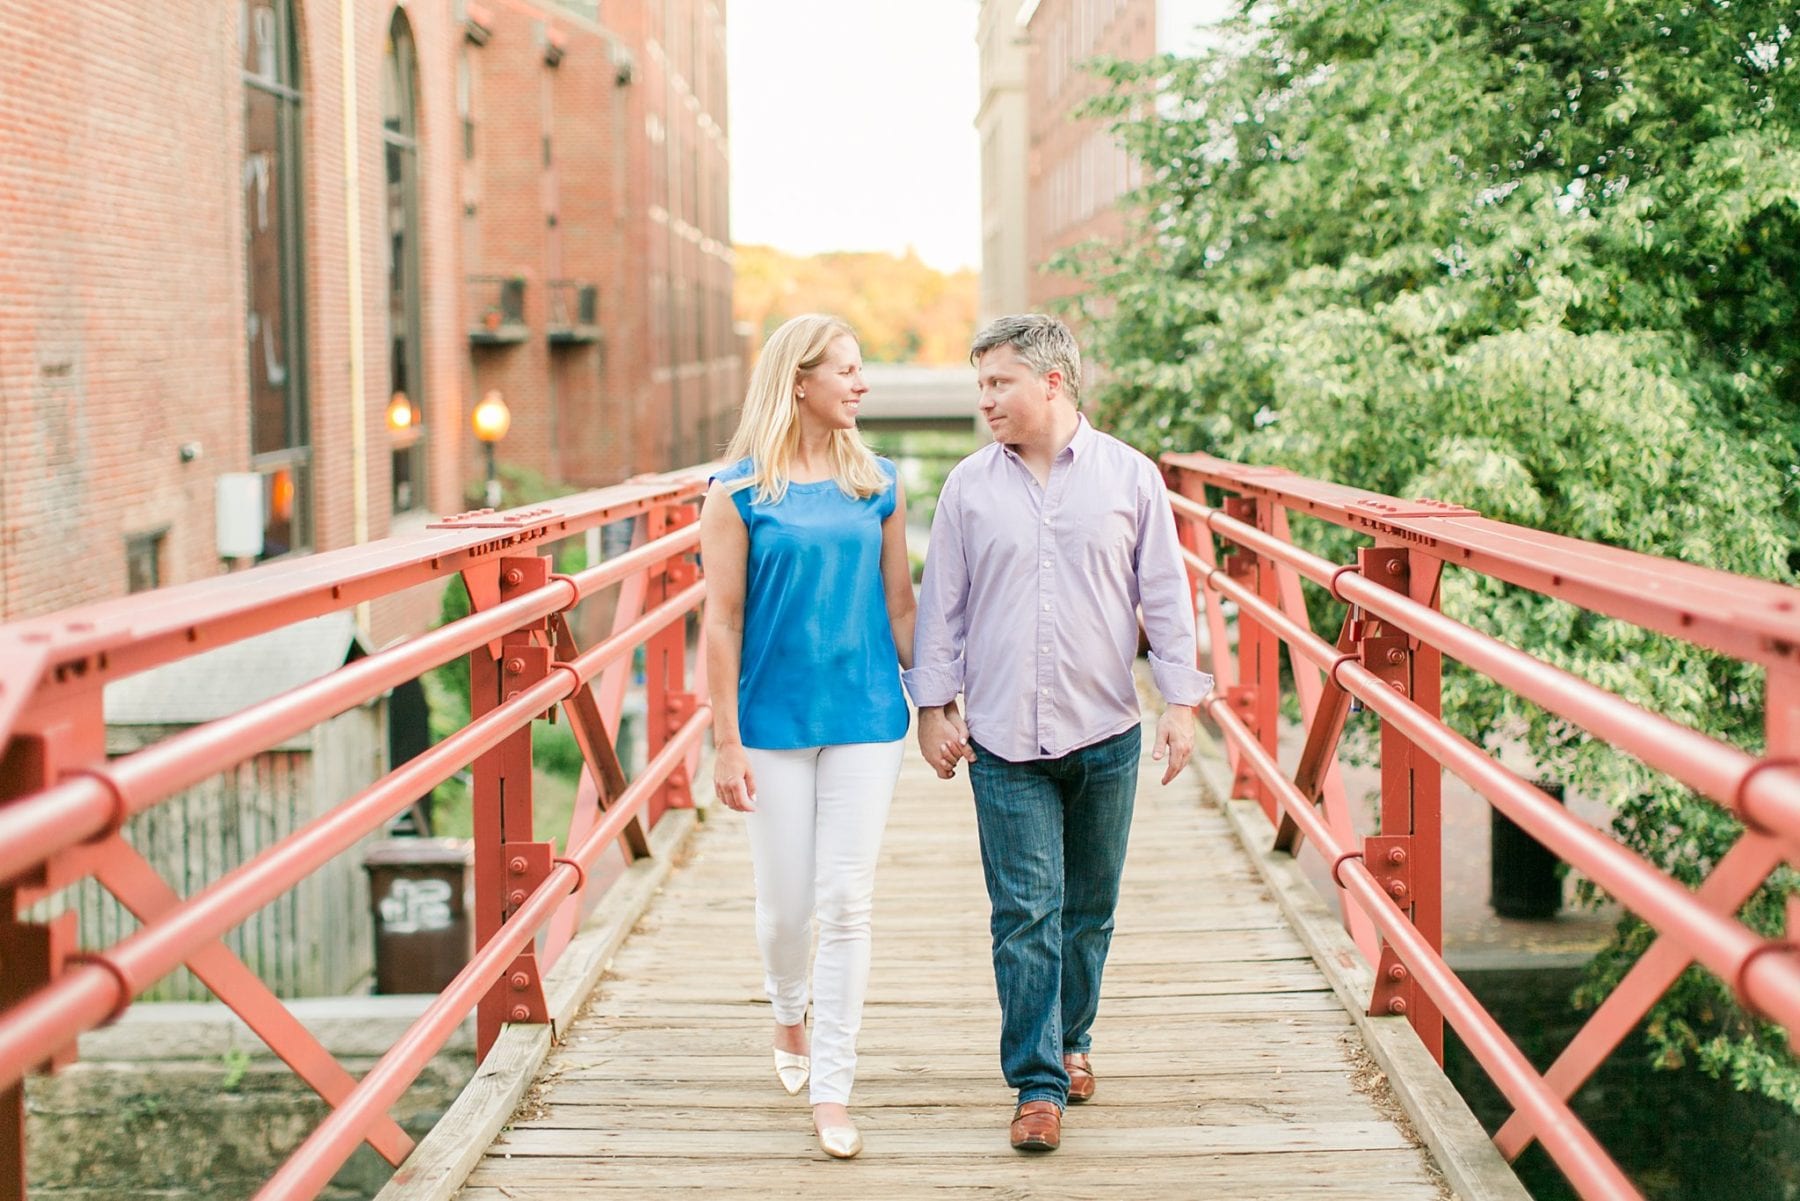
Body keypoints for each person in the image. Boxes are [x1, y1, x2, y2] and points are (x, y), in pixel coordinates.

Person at [903, 314, 1213, 1153]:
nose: (985, 401)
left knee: (1089, 911)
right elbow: (944, 607)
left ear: (1052, 382)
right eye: (979, 386)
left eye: (998, 383)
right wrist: (932, 706)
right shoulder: (968, 486)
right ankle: (1037, 1084)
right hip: (1002, 742)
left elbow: (1166, 596)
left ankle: (1075, 1040)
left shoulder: (1131, 478)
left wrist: (1181, 702)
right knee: (1025, 914)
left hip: (1106, 729)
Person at [700, 313, 915, 1160]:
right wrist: (723, 739)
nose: (862, 384)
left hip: (867, 717)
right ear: (800, 381)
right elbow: (720, 622)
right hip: (771, 723)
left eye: (863, 371)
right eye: (848, 371)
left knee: (846, 901)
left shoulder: (882, 482)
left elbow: (902, 605)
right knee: (787, 907)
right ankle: (786, 1006)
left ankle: (834, 1085)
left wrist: (938, 693)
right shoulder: (739, 491)